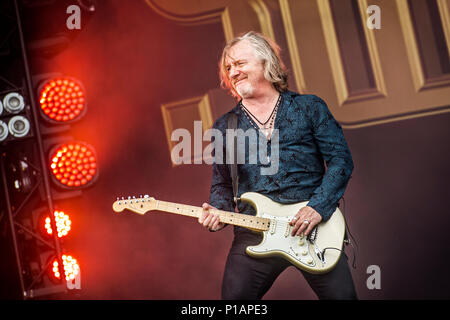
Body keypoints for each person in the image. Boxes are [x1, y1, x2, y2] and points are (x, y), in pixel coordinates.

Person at [198, 31, 357, 300]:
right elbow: (222, 185)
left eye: (240, 63)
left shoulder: (309, 107)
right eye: (228, 67)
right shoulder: (225, 127)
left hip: (312, 227)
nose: (233, 72)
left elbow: (341, 160)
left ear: (265, 62)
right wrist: (217, 214)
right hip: (255, 232)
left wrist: (316, 208)